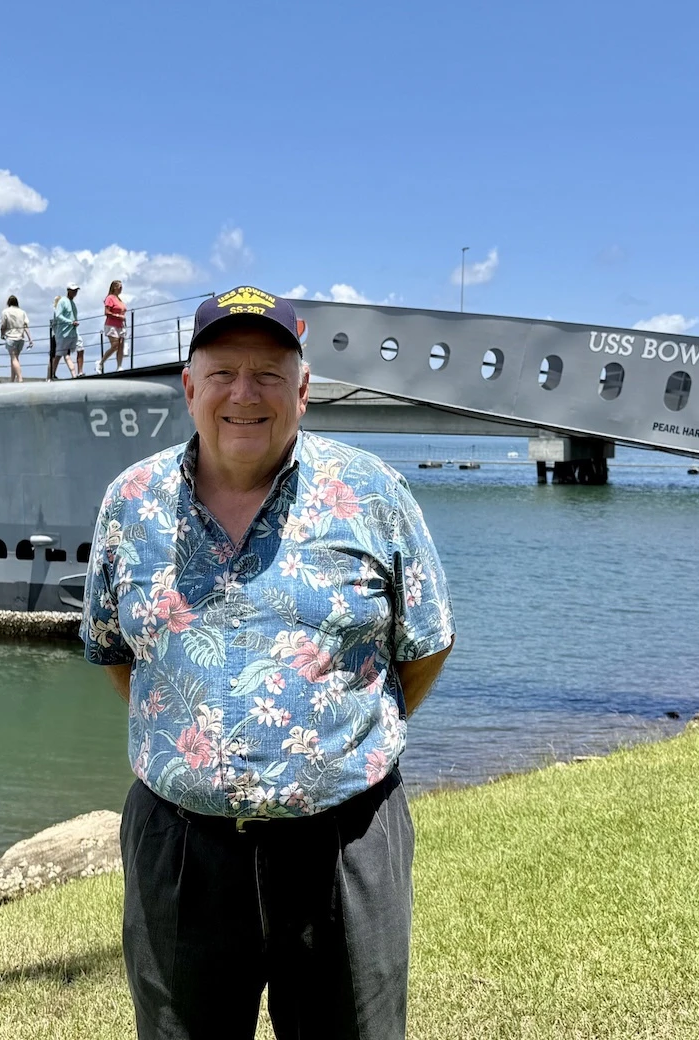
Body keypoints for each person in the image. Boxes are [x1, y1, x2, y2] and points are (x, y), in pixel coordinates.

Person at [82, 285, 454, 1040]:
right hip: (181, 851)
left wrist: (334, 741)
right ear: (189, 386)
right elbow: (118, 655)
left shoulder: (373, 495)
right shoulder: (130, 503)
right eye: (222, 373)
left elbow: (426, 645)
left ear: (304, 390)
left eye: (269, 375)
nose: (243, 395)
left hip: (343, 847)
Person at [50, 284, 82, 380]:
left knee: (79, 349)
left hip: (72, 333)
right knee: (59, 355)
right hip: (63, 334)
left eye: (76, 290)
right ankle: (52, 375)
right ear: (68, 290)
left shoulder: (72, 303)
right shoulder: (63, 301)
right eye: (73, 290)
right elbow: (58, 315)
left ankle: (76, 374)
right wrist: (70, 322)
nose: (75, 292)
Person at [0, 294, 30, 382]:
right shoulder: (22, 312)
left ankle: (20, 378)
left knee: (13, 358)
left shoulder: (5, 312)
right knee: (15, 358)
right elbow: (26, 326)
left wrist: (2, 334)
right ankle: (12, 379)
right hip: (20, 338)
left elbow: (3, 325)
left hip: (11, 337)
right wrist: (30, 339)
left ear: (8, 303)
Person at [100, 279, 127, 373]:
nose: (121, 289)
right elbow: (107, 312)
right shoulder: (110, 298)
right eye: (120, 287)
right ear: (115, 287)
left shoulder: (119, 299)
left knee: (121, 346)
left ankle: (119, 366)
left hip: (121, 325)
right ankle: (101, 363)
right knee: (115, 345)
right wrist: (118, 316)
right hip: (112, 325)